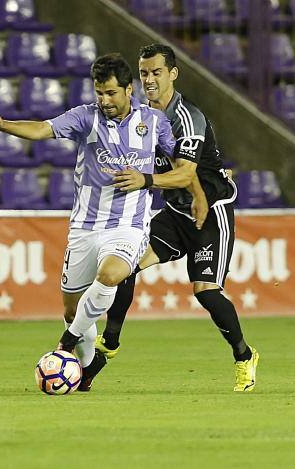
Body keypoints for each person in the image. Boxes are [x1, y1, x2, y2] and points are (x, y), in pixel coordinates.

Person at [0, 53, 199, 391]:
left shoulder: (154, 122)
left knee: (110, 275)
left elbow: (183, 167)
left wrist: (196, 193)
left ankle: (65, 343)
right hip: (84, 227)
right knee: (71, 307)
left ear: (129, 89)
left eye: (111, 93)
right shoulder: (86, 118)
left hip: (129, 225)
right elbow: (42, 129)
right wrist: (4, 125)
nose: (104, 100)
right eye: (99, 93)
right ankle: (84, 366)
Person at [95, 43, 259, 392]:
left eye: (156, 72)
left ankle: (244, 356)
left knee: (206, 291)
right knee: (125, 264)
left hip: (210, 212)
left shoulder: (188, 117)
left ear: (173, 74)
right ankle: (109, 342)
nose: (149, 79)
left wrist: (146, 180)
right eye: (143, 73)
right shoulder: (141, 118)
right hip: (173, 211)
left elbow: (185, 174)